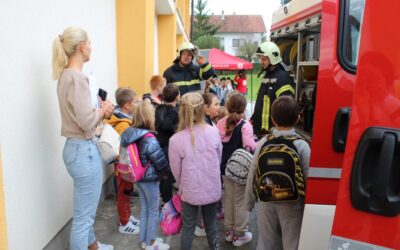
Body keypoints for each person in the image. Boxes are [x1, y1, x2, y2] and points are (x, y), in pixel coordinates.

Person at [52, 27, 114, 250]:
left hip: (75, 149)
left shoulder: (65, 76)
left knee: (83, 211)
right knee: (83, 218)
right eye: (89, 43)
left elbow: (81, 115)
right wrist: (103, 111)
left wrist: (97, 109)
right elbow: (87, 122)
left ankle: (93, 246)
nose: (91, 47)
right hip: (83, 150)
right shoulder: (77, 78)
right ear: (81, 47)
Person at [245, 96, 310, 250]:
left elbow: (253, 173)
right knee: (291, 241)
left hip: (266, 200)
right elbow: (308, 177)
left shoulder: (263, 142)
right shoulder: (301, 145)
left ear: (273, 120)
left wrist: (248, 202)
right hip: (292, 203)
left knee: (265, 241)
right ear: (297, 119)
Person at [169, 92, 222, 250]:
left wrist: (182, 185)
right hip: (211, 187)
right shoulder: (214, 132)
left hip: (189, 190)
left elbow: (176, 171)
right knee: (211, 225)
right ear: (202, 109)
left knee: (188, 228)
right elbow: (217, 160)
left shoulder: (176, 140)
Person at [120, 100, 170, 250]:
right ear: (150, 117)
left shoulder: (129, 133)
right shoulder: (149, 137)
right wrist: (165, 174)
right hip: (150, 179)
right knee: (153, 209)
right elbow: (159, 160)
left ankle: (144, 239)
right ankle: (151, 243)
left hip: (137, 177)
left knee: (145, 208)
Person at [216, 93, 257, 247]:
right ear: (244, 108)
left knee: (228, 198)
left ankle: (229, 231)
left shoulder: (220, 122)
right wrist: (257, 144)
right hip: (239, 169)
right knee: (240, 200)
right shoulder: (245, 125)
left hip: (223, 167)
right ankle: (239, 233)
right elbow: (249, 146)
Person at [106, 87, 140, 235]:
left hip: (125, 167)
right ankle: (124, 223)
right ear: (127, 105)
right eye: (136, 102)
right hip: (123, 168)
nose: (138, 104)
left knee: (127, 192)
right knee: (123, 194)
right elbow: (121, 148)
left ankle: (127, 216)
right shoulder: (123, 124)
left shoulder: (126, 120)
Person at [250, 41, 295, 137]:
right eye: (260, 59)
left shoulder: (283, 79)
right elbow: (260, 102)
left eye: (264, 59)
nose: (261, 62)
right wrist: (253, 117)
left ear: (273, 58)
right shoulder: (267, 76)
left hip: (273, 134)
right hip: (261, 132)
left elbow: (285, 111)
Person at [155, 83, 180, 204]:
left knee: (163, 174)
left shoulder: (159, 108)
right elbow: (166, 125)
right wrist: (177, 128)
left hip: (160, 144)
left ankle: (163, 197)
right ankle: (167, 201)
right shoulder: (173, 111)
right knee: (167, 176)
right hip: (167, 146)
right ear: (177, 97)